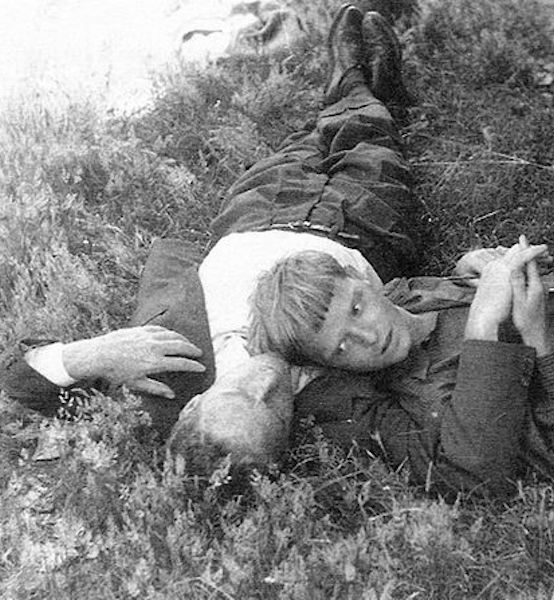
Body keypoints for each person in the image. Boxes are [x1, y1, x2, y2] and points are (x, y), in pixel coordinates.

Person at [177, 1, 554, 497]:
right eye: (340, 347)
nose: (365, 341)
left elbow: (423, 300)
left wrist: (469, 271)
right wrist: (534, 340)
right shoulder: (429, 398)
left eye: (356, 312)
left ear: (365, 284)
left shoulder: (404, 298)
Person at [0, 5, 418, 466]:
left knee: (300, 143)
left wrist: (93, 355)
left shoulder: (163, 380)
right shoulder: (330, 392)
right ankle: (361, 83)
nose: (265, 386)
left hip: (256, 213)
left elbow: (20, 385)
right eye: (273, 412)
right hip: (356, 228)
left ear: (193, 406)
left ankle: (347, 90)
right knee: (370, 145)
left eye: (241, 398)